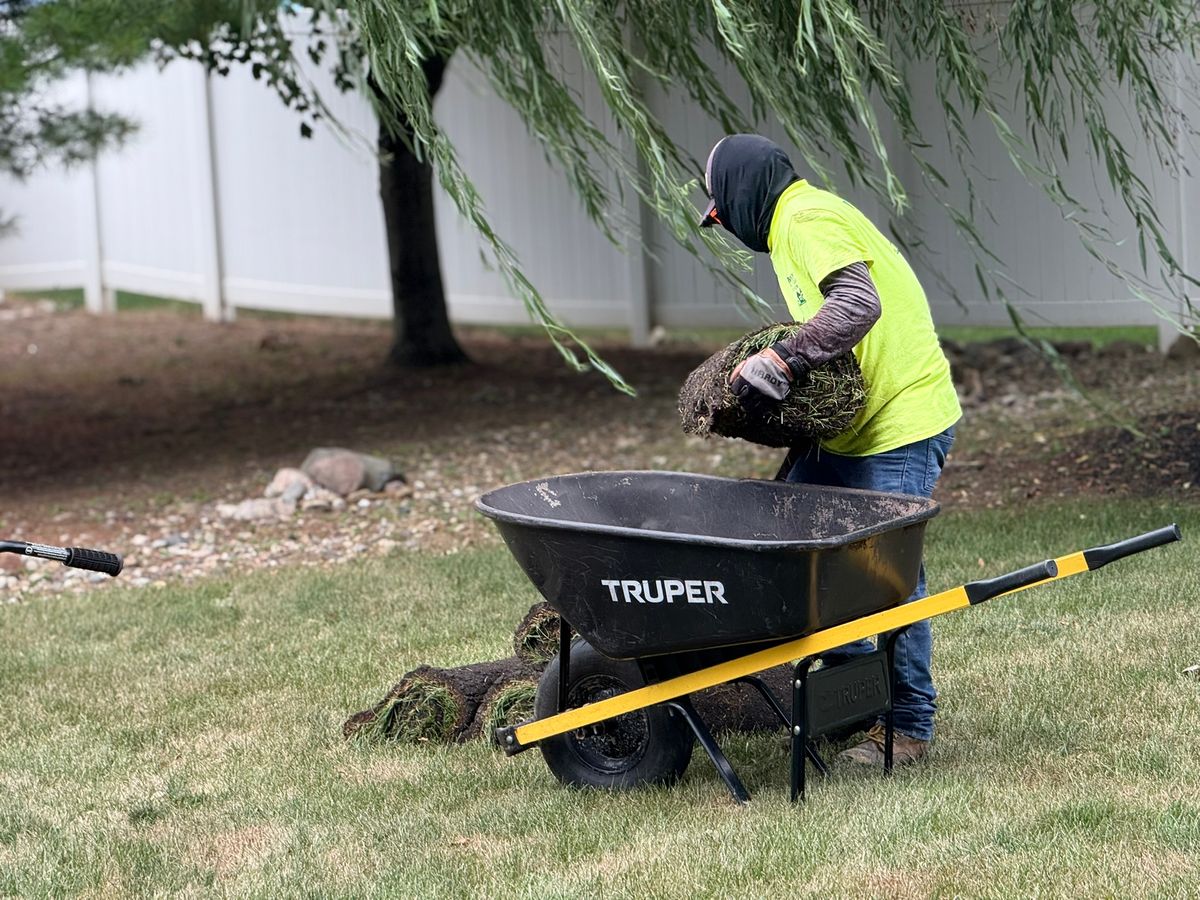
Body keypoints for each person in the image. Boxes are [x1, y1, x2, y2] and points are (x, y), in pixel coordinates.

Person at [698, 134, 961, 765]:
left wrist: (783, 360)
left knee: (889, 577)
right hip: (854, 428)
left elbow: (857, 305)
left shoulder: (804, 217)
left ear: (740, 193)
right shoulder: (799, 222)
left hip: (900, 424)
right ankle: (855, 700)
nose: (724, 225)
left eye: (720, 212)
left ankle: (907, 728)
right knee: (799, 545)